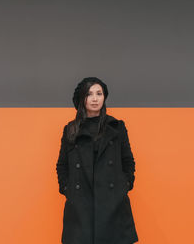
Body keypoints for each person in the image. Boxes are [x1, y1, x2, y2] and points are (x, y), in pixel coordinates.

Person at [56, 77, 138, 244]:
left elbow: (127, 160)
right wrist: (67, 188)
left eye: (99, 94)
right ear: (82, 99)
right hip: (81, 205)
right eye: (89, 94)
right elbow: (62, 165)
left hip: (113, 203)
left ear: (104, 97)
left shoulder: (117, 127)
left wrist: (125, 183)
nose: (95, 99)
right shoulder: (70, 130)